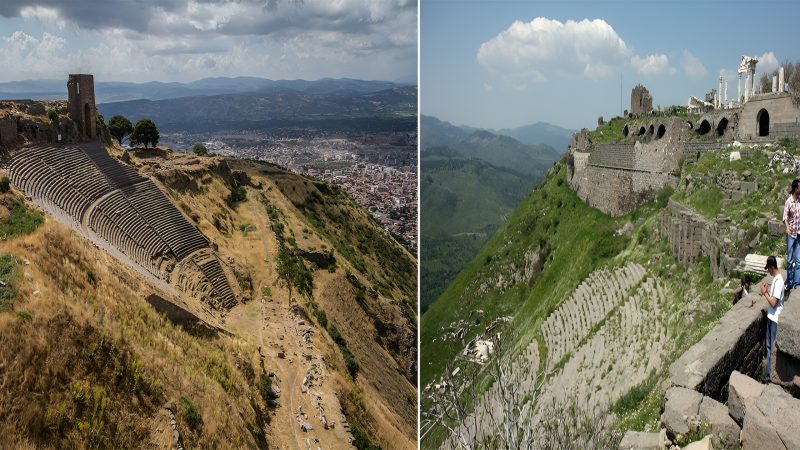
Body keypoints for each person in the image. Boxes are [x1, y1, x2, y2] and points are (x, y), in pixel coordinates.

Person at [759, 256, 785, 384]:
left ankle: (768, 375)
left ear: (771, 267)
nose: (768, 272)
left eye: (768, 269)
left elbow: (774, 303)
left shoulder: (779, 281)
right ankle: (768, 373)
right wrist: (768, 291)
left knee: (771, 348)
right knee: (769, 346)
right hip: (771, 317)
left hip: (774, 319)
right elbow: (774, 298)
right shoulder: (776, 279)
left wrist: (764, 293)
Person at [783, 179, 800, 293]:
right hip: (791, 234)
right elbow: (785, 217)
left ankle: (797, 282)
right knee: (789, 260)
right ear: (795, 189)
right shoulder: (788, 202)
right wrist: (787, 228)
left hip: (799, 234)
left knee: (798, 260)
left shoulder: (799, 201)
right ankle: (789, 282)